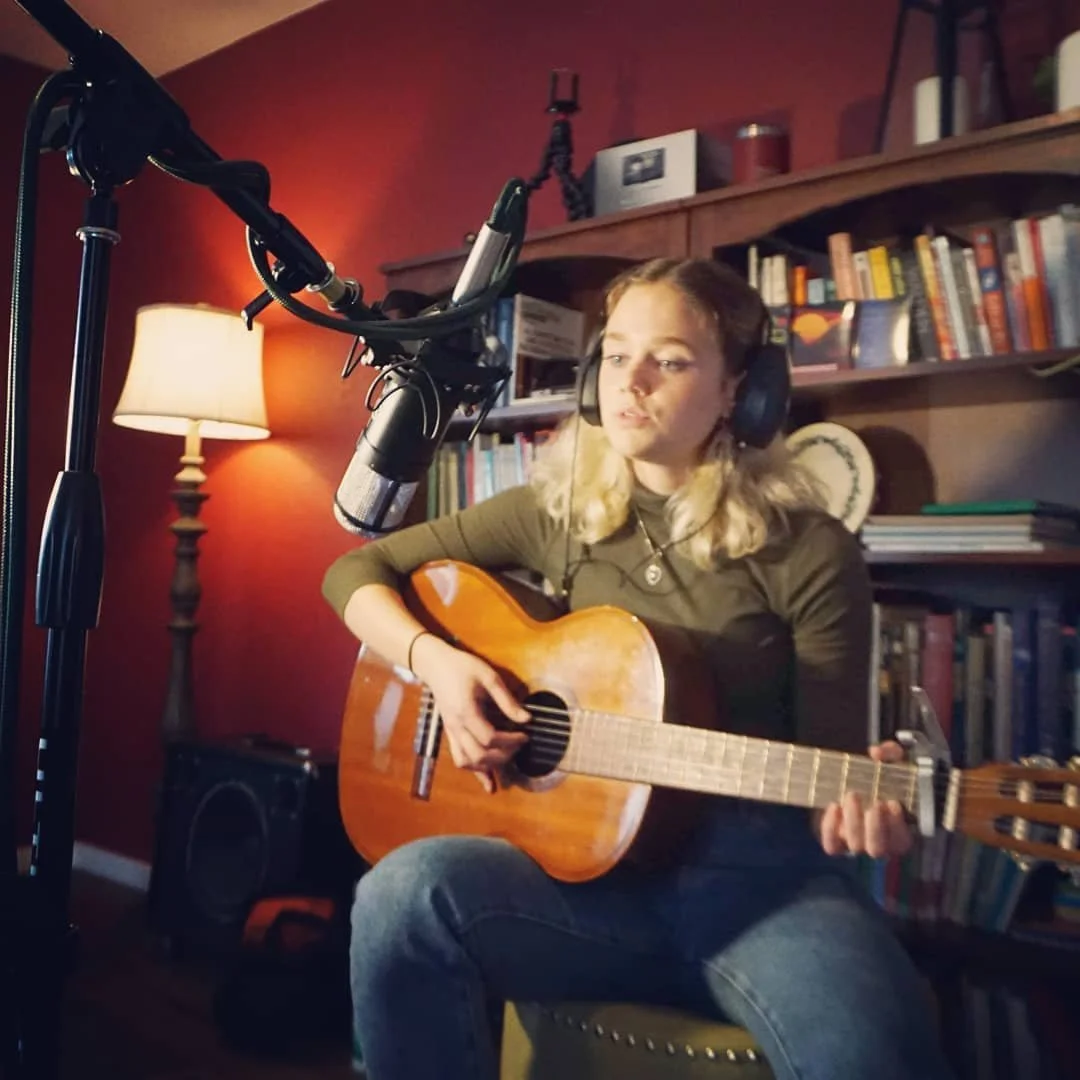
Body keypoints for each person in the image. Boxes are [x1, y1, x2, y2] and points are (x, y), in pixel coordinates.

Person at [322, 257, 954, 1080]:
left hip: (763, 895)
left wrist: (869, 809)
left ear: (738, 392)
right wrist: (438, 666)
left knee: (879, 1049)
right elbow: (354, 576)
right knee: (401, 897)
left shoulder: (810, 549)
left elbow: (835, 762)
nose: (633, 381)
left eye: (672, 359)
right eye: (617, 355)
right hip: (583, 887)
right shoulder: (560, 511)